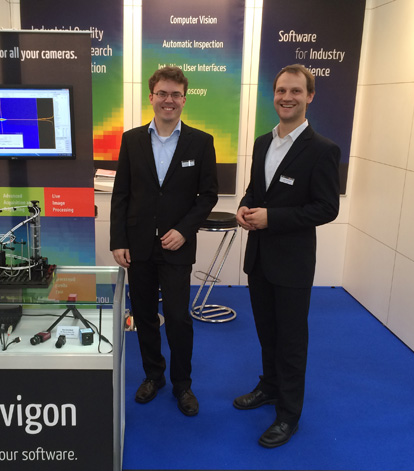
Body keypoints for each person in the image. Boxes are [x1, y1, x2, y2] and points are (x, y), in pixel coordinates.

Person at [234, 64, 340, 447]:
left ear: (309, 96)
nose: (287, 97)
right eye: (281, 90)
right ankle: (270, 387)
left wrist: (271, 218)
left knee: (291, 341)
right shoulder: (263, 142)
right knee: (267, 332)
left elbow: (327, 208)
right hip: (259, 258)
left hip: (293, 263)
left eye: (296, 91)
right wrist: (244, 207)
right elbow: (255, 189)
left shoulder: (323, 150)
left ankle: (289, 415)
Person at [110, 66, 218, 416]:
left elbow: (208, 196)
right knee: (144, 315)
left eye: (175, 94)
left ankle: (182, 384)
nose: (168, 100)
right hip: (138, 245)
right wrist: (118, 240)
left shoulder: (201, 142)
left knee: (177, 317)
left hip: (177, 245)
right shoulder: (132, 140)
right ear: (151, 97)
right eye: (162, 93)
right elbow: (121, 194)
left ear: (184, 99)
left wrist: (184, 230)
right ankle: (153, 376)